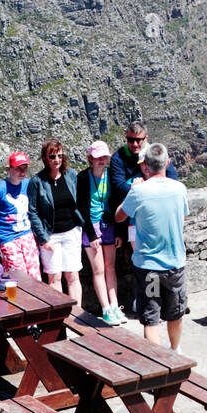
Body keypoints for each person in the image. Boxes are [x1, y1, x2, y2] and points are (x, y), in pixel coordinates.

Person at [114, 142, 188, 350]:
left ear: (145, 165)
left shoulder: (139, 192)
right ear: (167, 163)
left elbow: (119, 217)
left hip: (149, 269)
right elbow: (181, 217)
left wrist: (133, 191)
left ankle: (159, 364)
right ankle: (175, 351)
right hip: (174, 265)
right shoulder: (180, 189)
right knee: (175, 312)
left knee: (151, 318)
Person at [27, 140, 88, 308]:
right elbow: (32, 212)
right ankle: (61, 319)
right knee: (54, 278)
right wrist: (43, 238)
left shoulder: (70, 176)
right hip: (50, 236)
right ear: (45, 158)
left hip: (71, 232)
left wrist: (80, 227)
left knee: (73, 276)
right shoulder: (37, 182)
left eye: (59, 156)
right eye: (52, 156)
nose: (56, 160)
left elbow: (80, 202)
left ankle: (77, 316)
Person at [76, 139, 126, 326]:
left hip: (109, 225)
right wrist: (91, 235)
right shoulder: (83, 178)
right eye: (98, 158)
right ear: (91, 158)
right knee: (98, 269)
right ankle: (105, 309)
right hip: (92, 228)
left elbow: (117, 204)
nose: (102, 161)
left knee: (110, 268)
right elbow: (81, 208)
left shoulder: (110, 176)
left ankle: (115, 306)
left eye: (104, 157)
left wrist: (119, 232)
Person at [109, 121, 180, 246]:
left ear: (146, 138)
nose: (135, 144)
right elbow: (119, 187)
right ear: (126, 138)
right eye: (130, 140)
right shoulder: (118, 158)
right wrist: (138, 189)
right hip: (132, 215)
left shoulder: (157, 153)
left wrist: (143, 189)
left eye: (139, 140)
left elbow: (172, 178)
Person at [0, 151, 41, 278]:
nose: (22, 172)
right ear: (9, 169)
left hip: (27, 236)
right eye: (18, 168)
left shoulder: (27, 184)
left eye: (25, 168)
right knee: (19, 278)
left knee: (35, 278)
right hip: (8, 239)